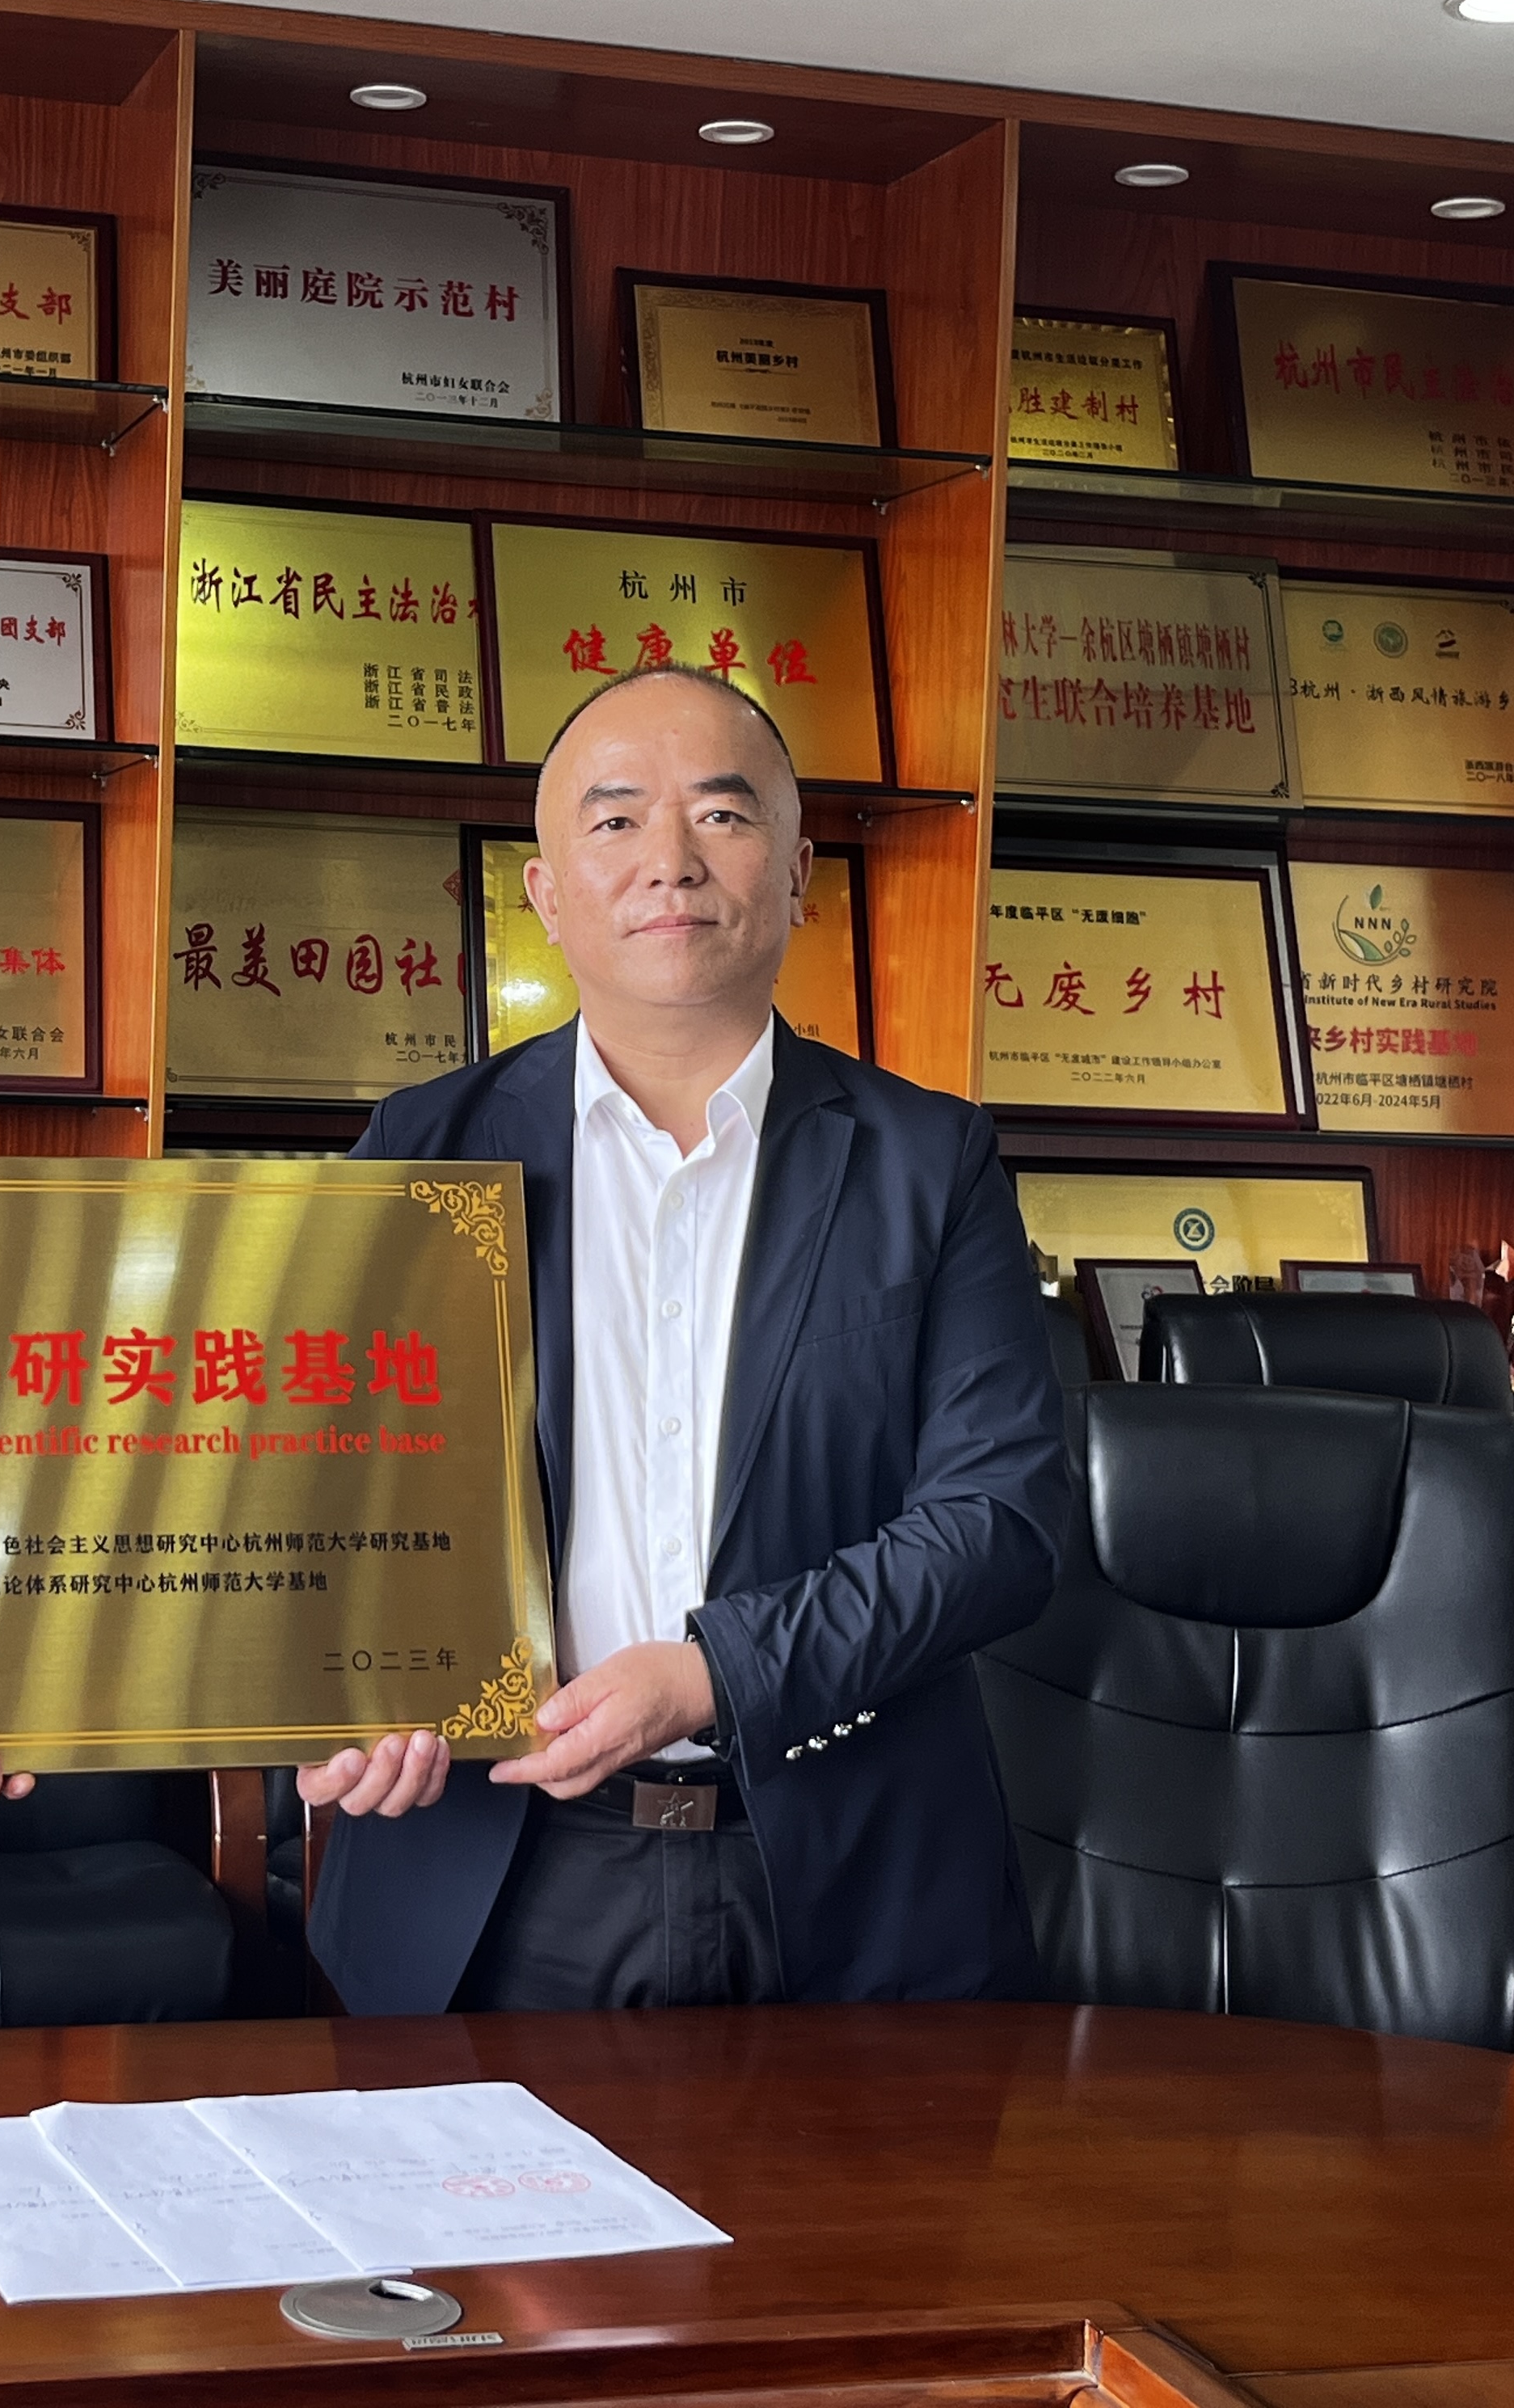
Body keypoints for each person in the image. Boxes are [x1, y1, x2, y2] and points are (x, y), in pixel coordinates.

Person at [297, 664, 1071, 2014]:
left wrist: (721, 1671)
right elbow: (312, 1489)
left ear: (798, 872)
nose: (669, 859)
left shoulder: (926, 1161)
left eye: (721, 814)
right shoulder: (419, 1150)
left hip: (848, 1873)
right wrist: (334, 1695)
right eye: (614, 821)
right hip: (493, 1877)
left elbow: (997, 1522)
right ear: (546, 893)